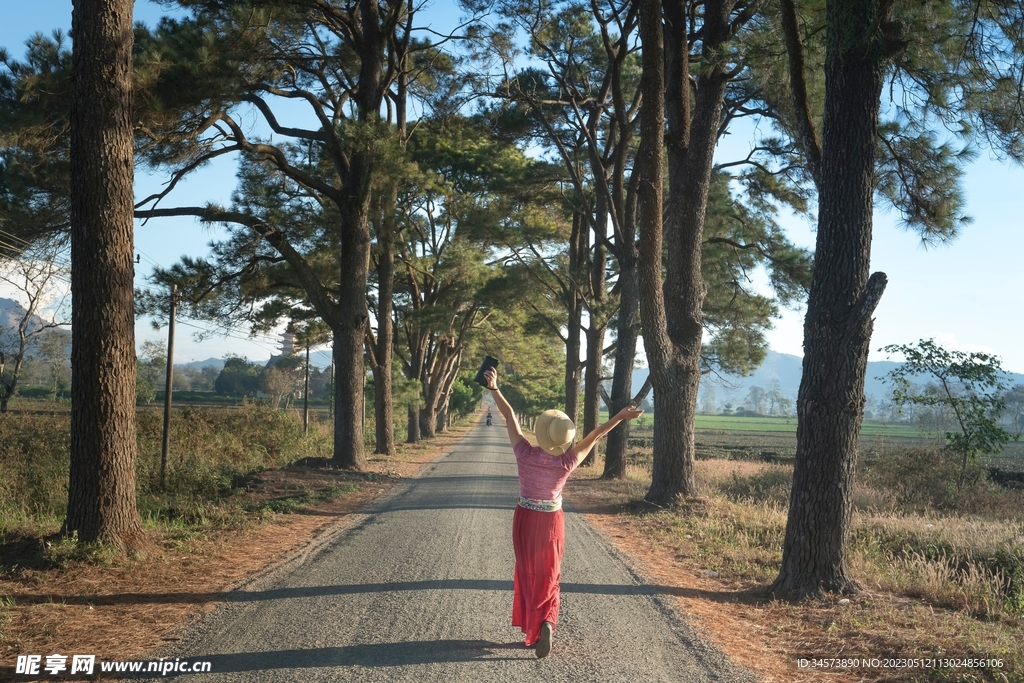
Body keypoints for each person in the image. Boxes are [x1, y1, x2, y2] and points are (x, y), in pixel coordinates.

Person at [483, 365, 644, 659]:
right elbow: (595, 435)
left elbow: (509, 416)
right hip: (551, 522)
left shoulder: (524, 453)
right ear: (563, 440)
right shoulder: (567, 462)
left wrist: (494, 387)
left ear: (542, 434)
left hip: (524, 517)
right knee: (550, 574)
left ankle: (534, 626)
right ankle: (547, 621)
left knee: (528, 572)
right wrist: (620, 416)